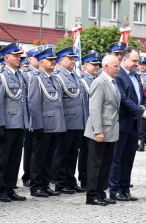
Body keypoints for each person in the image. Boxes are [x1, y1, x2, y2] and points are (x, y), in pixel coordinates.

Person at [108, 46, 146, 201]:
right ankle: (114, 190)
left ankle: (125, 188)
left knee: (129, 158)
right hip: (121, 123)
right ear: (124, 59)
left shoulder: (136, 76)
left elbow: (141, 96)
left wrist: (144, 105)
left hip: (134, 123)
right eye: (134, 61)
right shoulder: (118, 75)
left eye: (138, 61)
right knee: (117, 158)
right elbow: (122, 99)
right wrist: (140, 111)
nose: (137, 63)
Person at [0, 42, 28, 202]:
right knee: (3, 159)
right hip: (7, 123)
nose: (19, 58)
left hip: (19, 122)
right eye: (15, 55)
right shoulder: (0, 75)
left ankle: (10, 188)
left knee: (15, 159)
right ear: (6, 57)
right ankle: (0, 190)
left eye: (19, 56)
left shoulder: (20, 75)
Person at [84, 55, 121, 206]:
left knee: (106, 163)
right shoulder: (99, 82)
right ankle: (92, 195)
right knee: (95, 164)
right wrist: (98, 131)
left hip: (110, 129)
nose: (118, 69)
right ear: (106, 67)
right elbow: (94, 108)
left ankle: (101, 191)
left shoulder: (112, 82)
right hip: (99, 131)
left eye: (118, 66)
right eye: (115, 66)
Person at [28, 48, 65, 198]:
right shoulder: (37, 78)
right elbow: (33, 104)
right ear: (42, 62)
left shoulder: (53, 78)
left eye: (54, 59)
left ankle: (45, 184)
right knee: (39, 157)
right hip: (43, 125)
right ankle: (36, 186)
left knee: (49, 157)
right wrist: (37, 125)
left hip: (55, 124)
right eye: (50, 60)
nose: (53, 62)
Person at [53, 47, 88, 194]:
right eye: (70, 59)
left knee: (73, 153)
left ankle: (70, 180)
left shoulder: (74, 76)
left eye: (74, 59)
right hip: (66, 122)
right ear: (61, 60)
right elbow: (58, 101)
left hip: (77, 122)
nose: (73, 61)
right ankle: (60, 182)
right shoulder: (58, 76)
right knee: (62, 153)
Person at [78, 52, 101, 189]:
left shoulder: (97, 80)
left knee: (94, 153)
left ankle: (92, 178)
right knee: (85, 152)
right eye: (93, 64)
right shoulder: (82, 81)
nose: (96, 67)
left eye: (98, 64)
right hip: (87, 120)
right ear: (85, 66)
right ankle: (84, 179)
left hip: (95, 121)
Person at [21, 47, 41, 187]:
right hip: (29, 117)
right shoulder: (26, 74)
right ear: (30, 59)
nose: (38, 60)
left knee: (38, 148)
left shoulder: (42, 74)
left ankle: (37, 175)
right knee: (29, 148)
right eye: (36, 57)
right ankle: (27, 175)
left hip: (40, 116)